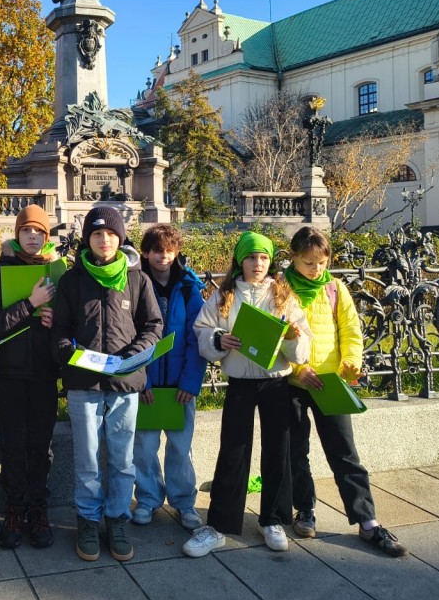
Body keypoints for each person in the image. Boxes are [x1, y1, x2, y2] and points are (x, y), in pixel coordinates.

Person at [183, 231, 311, 558]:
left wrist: (292, 339)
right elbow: (202, 330)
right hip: (240, 381)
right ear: (241, 260)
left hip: (275, 381)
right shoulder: (224, 295)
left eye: (264, 258)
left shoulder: (284, 296)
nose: (258, 264)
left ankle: (273, 519)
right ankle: (221, 524)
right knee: (233, 450)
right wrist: (217, 340)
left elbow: (302, 349)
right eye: (252, 257)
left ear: (271, 261)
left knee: (277, 450)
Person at [284, 226, 408, 557]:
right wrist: (298, 369)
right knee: (296, 452)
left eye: (322, 262)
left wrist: (351, 362)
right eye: (309, 263)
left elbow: (351, 331)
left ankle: (367, 522)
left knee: (344, 452)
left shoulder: (334, 289)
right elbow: (273, 337)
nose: (317, 269)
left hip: (330, 383)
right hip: (294, 384)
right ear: (294, 258)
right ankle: (304, 510)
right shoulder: (280, 290)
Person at [51, 206, 163, 563]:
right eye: (97, 234)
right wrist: (71, 352)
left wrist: (133, 355)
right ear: (88, 238)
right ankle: (87, 518)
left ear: (121, 238)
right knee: (87, 459)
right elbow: (61, 331)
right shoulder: (72, 280)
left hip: (125, 384)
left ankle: (116, 517)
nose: (104, 240)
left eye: (111, 234)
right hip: (84, 383)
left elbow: (153, 325)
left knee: (121, 458)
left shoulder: (136, 278)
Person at [0, 204, 61, 550]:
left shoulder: (57, 271)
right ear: (17, 234)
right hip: (10, 374)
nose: (33, 237)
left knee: (40, 444)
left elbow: (70, 325)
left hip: (45, 373)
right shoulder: (2, 271)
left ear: (47, 237)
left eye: (39, 232)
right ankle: (14, 508)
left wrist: (53, 322)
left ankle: (38, 508)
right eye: (27, 231)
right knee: (13, 443)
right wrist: (30, 304)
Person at [132, 225, 206, 531]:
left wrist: (190, 382)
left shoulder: (189, 288)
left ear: (176, 252)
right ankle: (148, 499)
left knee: (180, 446)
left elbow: (197, 337)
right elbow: (131, 336)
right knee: (145, 449)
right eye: (157, 250)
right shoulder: (135, 284)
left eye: (169, 251)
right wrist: (141, 380)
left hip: (179, 387)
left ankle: (184, 502)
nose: (163, 256)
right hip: (148, 386)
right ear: (146, 252)